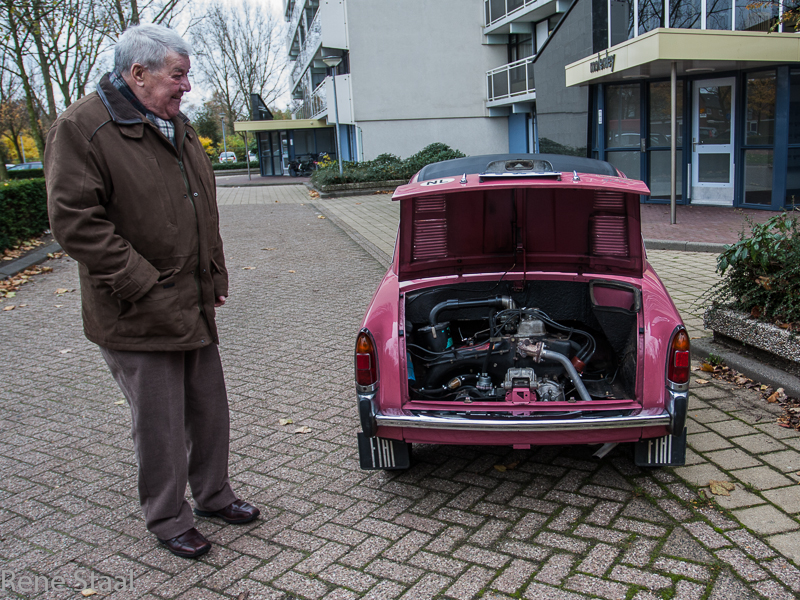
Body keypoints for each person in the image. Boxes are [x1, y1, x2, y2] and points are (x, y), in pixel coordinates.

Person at [44, 23, 259, 559]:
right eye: (178, 75)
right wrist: (142, 284)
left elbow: (201, 206)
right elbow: (75, 222)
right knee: (159, 424)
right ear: (138, 73)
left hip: (190, 299)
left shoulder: (176, 124)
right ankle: (167, 518)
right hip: (135, 309)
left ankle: (213, 495)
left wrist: (214, 273)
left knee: (208, 409)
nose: (187, 86)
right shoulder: (81, 127)